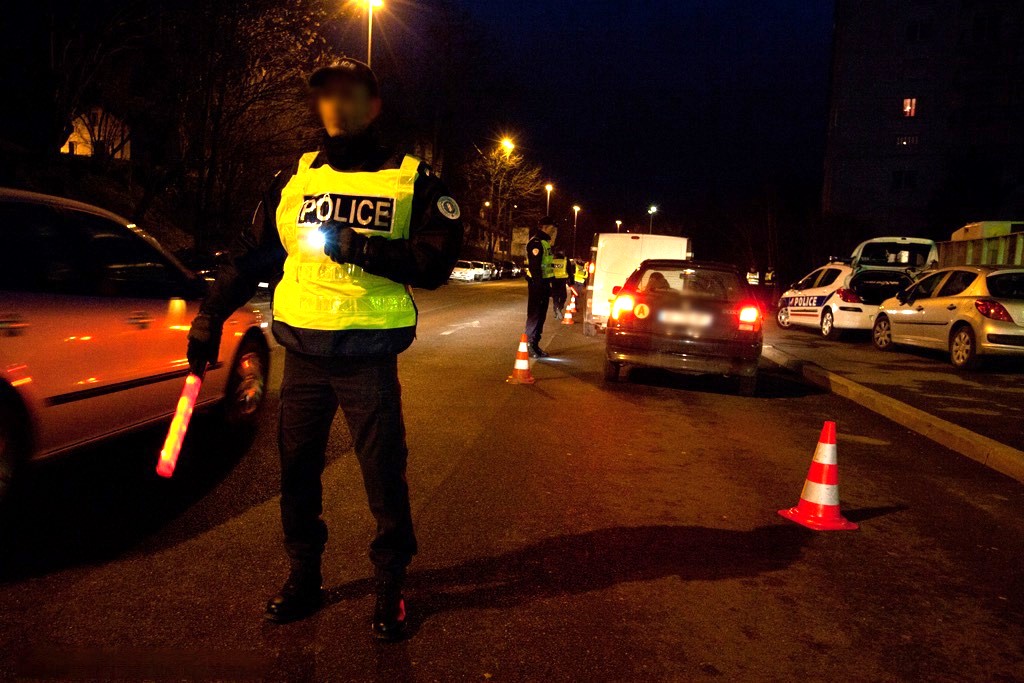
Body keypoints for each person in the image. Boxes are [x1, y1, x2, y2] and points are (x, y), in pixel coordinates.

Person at [185, 57, 462, 640]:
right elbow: (251, 254)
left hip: (368, 358)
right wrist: (210, 316)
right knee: (297, 474)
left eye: (350, 94)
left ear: (374, 105)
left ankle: (390, 587)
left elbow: (436, 263)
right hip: (305, 354)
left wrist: (361, 248)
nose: (338, 106)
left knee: (384, 478)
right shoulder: (298, 178)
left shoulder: (412, 179)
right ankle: (303, 577)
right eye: (327, 96)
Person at [524, 217, 554, 357]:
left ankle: (535, 344)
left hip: (544, 284)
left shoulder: (545, 243)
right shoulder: (535, 243)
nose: (553, 231)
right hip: (537, 285)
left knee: (541, 316)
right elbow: (535, 267)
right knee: (534, 315)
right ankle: (529, 345)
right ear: (544, 227)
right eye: (551, 228)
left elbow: (547, 265)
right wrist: (540, 284)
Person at [550, 248, 569, 319]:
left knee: (555, 297)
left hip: (554, 280)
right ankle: (559, 308)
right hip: (562, 281)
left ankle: (556, 311)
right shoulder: (565, 261)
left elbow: (549, 270)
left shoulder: (552, 261)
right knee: (563, 297)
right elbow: (569, 271)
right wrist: (571, 281)